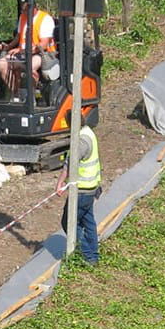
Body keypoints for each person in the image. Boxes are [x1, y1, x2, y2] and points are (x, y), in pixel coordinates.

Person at [0, 0, 57, 98]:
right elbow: (19, 36)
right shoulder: (23, 17)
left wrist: (23, 51)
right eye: (23, 10)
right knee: (2, 63)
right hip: (24, 52)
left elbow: (44, 44)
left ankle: (31, 97)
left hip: (43, 54)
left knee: (29, 67)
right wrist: (8, 47)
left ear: (33, 7)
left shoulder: (45, 19)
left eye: (25, 10)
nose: (23, 13)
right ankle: (16, 94)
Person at [72, 113, 102, 264]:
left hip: (82, 189)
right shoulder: (88, 132)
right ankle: (94, 255)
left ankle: (87, 255)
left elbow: (72, 162)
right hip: (91, 186)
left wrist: (60, 182)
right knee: (88, 221)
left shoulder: (82, 140)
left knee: (70, 222)